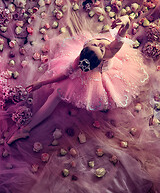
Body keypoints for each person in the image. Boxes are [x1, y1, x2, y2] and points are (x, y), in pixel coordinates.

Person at [7, 15, 149, 144]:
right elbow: (64, 74)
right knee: (55, 96)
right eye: (96, 45)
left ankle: (28, 127)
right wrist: (41, 83)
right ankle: (26, 129)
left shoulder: (109, 53)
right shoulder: (89, 55)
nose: (100, 44)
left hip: (100, 77)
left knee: (56, 95)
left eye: (100, 47)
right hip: (87, 69)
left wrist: (125, 23)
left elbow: (120, 38)